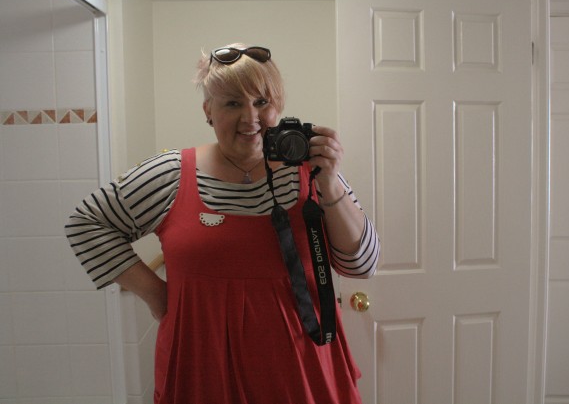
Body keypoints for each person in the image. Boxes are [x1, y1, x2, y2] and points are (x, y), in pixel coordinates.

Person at [65, 43, 379, 404]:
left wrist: (330, 181)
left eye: (262, 102)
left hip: (302, 365)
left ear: (279, 107)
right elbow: (86, 222)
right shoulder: (170, 174)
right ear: (208, 111)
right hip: (201, 365)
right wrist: (158, 296)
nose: (250, 118)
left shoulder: (311, 171)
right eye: (232, 103)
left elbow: (363, 264)